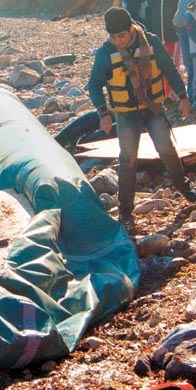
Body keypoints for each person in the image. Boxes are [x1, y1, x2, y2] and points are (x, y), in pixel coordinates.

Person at [87, 6, 196, 235]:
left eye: (122, 36)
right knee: (127, 160)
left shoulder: (152, 42)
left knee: (166, 147)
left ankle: (185, 190)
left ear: (131, 30)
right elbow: (95, 85)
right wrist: (103, 113)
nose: (118, 41)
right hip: (126, 113)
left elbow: (170, 70)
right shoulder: (105, 53)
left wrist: (183, 97)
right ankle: (126, 211)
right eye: (113, 37)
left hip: (153, 108)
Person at [146, 0, 180, 100]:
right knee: (158, 66)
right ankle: (164, 93)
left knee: (173, 65)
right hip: (157, 37)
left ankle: (172, 94)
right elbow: (149, 14)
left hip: (172, 36)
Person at [175, 0, 196, 106]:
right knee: (191, 63)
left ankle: (192, 94)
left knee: (191, 63)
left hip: (185, 25)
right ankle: (192, 95)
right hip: (187, 26)